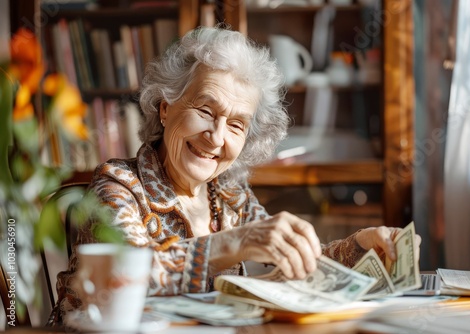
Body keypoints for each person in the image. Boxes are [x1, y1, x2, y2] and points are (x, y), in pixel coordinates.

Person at [50, 25, 421, 324]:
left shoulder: (227, 192)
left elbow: (287, 256)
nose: (216, 137)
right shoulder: (117, 186)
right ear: (165, 108)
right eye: (205, 110)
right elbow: (120, 278)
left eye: (237, 125)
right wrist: (236, 242)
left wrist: (362, 246)